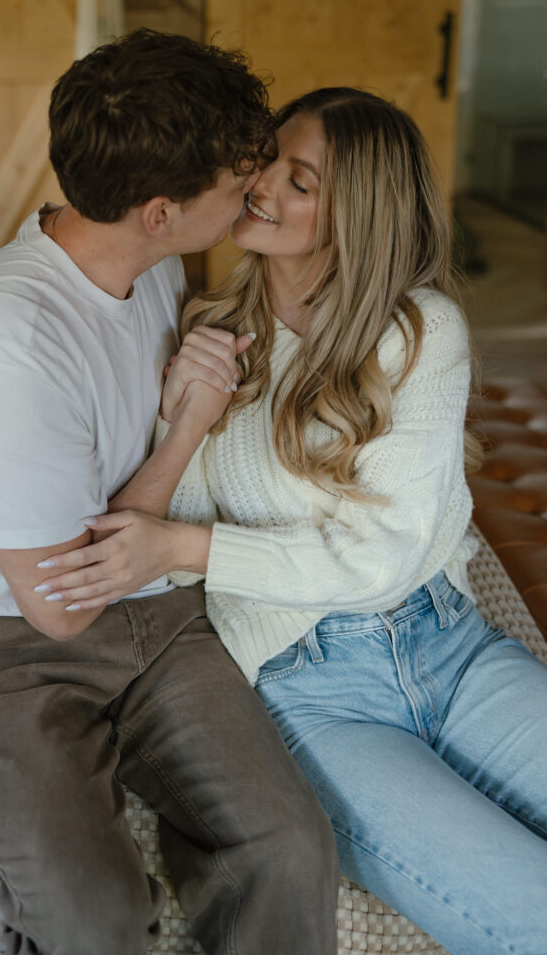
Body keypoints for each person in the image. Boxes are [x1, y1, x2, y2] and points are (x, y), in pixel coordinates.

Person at [38, 87, 547, 955]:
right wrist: (186, 418)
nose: (260, 182)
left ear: (358, 214)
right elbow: (152, 537)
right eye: (268, 158)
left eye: (298, 178)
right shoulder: (209, 332)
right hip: (307, 692)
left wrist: (186, 546)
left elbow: (378, 556)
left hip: (449, 647)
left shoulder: (420, 334)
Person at [0, 31, 340, 955]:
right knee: (92, 918)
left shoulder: (153, 265)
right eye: (236, 182)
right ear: (161, 210)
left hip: (154, 612)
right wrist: (189, 425)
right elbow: (55, 607)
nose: (252, 192)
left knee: (287, 847)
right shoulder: (6, 338)